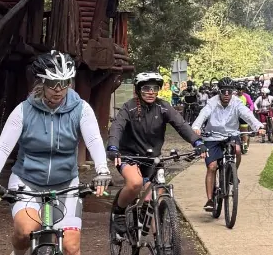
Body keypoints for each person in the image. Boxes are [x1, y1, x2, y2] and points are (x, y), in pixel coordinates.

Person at [0, 50, 111, 255]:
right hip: (27, 181)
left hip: (66, 183)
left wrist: (102, 170)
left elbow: (93, 139)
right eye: (53, 84)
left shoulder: (80, 108)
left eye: (65, 83)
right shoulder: (23, 110)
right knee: (25, 230)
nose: (58, 90)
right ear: (40, 83)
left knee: (72, 247)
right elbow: (3, 147)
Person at [107, 70, 202, 231]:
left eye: (155, 88)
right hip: (128, 155)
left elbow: (181, 125)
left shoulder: (163, 107)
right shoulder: (129, 107)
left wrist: (197, 142)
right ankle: (119, 212)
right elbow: (117, 127)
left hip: (152, 158)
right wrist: (113, 147)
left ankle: (160, 242)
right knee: (135, 183)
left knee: (155, 197)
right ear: (139, 90)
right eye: (146, 88)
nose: (151, 92)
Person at [192, 78, 264, 210]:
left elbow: (247, 115)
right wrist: (196, 127)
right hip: (212, 137)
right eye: (223, 91)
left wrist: (258, 126)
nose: (226, 94)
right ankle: (210, 200)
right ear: (219, 91)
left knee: (237, 150)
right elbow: (203, 115)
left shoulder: (237, 103)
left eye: (229, 92)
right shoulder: (212, 102)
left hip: (231, 134)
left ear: (232, 92)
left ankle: (232, 174)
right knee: (212, 167)